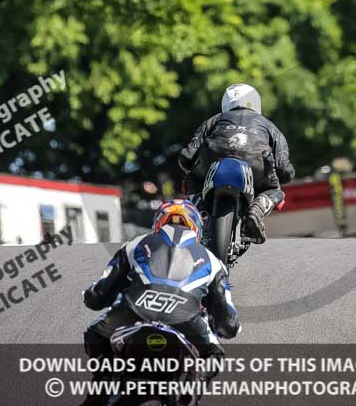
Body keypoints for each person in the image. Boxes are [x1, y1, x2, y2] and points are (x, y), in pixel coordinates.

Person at [81, 199, 240, 404]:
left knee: (95, 332)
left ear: (158, 222)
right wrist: (225, 324)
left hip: (133, 312)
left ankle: (103, 384)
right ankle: (190, 395)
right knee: (214, 353)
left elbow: (99, 296)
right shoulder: (212, 260)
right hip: (186, 320)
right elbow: (228, 324)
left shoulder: (136, 244)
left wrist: (89, 295)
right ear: (197, 228)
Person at [179, 83, 295, 244]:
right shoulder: (270, 126)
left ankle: (199, 209)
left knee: (192, 178)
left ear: (226, 103)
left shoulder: (214, 120)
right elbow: (284, 169)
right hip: (257, 166)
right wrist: (284, 176)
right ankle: (257, 208)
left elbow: (187, 156)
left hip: (213, 161)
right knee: (275, 192)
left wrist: (190, 168)